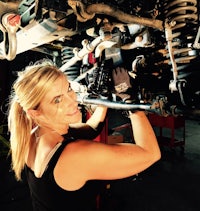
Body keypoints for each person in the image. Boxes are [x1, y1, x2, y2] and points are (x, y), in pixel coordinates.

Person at [7, 59, 161, 211]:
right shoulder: (73, 155)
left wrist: (103, 98)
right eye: (57, 100)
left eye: (68, 89)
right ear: (36, 113)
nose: (72, 101)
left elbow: (90, 128)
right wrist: (130, 99)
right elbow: (150, 153)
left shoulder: (34, 135)